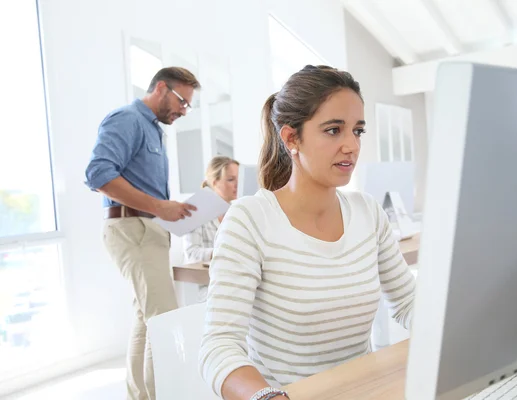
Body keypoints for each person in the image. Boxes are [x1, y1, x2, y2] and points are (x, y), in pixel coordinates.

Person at [199, 65, 416, 400]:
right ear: (291, 138)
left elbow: (408, 301)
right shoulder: (250, 219)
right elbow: (219, 346)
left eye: (357, 131)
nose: (351, 146)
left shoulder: (368, 212)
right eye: (333, 130)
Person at [84, 67, 200, 400]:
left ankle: (141, 396)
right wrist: (159, 207)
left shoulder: (153, 131)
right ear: (161, 88)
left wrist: (166, 209)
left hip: (147, 229)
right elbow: (98, 173)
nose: (183, 110)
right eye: (181, 101)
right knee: (162, 323)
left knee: (146, 320)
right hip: (132, 227)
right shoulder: (127, 119)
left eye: (188, 106)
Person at [182, 156, 239, 301]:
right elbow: (191, 254)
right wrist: (221, 252)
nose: (237, 185)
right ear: (215, 182)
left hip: (235, 281)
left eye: (239, 179)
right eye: (231, 179)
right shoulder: (195, 210)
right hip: (207, 287)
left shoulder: (238, 211)